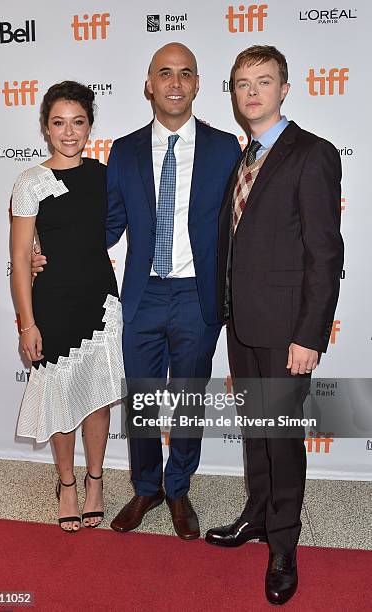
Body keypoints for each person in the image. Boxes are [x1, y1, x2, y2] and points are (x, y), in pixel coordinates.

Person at [32, 43, 241, 539]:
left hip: (198, 296)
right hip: (142, 295)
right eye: (164, 73)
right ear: (149, 84)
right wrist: (44, 251)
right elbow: (105, 227)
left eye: (185, 73)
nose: (174, 82)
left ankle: (178, 488)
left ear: (197, 84)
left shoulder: (223, 148)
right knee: (143, 399)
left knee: (188, 398)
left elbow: (240, 225)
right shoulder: (123, 151)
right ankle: (146, 486)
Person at [206, 46, 344, 605]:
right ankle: (258, 516)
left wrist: (310, 335)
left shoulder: (312, 154)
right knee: (258, 432)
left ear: (285, 88)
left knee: (283, 439)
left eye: (264, 81)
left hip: (289, 330)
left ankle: (285, 544)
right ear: (235, 92)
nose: (253, 91)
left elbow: (324, 252)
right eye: (243, 83)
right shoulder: (243, 157)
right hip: (243, 323)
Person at [11, 81, 125, 533]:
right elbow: (21, 258)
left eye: (78, 122)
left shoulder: (104, 175)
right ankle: (66, 485)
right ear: (45, 128)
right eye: (59, 122)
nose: (69, 132)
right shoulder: (29, 182)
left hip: (100, 301)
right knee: (60, 398)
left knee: (97, 397)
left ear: (90, 126)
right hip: (53, 303)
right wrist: (27, 323)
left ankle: (95, 480)